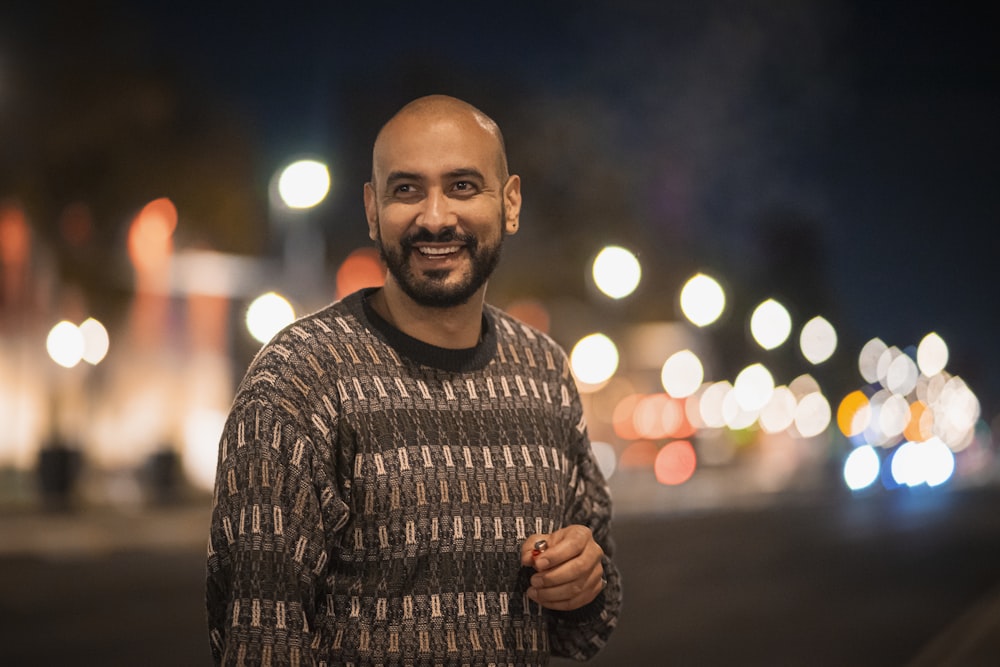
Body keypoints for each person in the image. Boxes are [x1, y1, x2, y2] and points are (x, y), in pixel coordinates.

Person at [206, 94, 622, 666]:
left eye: (462, 186)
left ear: (511, 202)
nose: (434, 216)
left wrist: (580, 585)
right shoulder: (298, 381)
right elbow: (259, 639)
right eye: (406, 190)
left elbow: (586, 622)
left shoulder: (545, 372)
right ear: (373, 210)